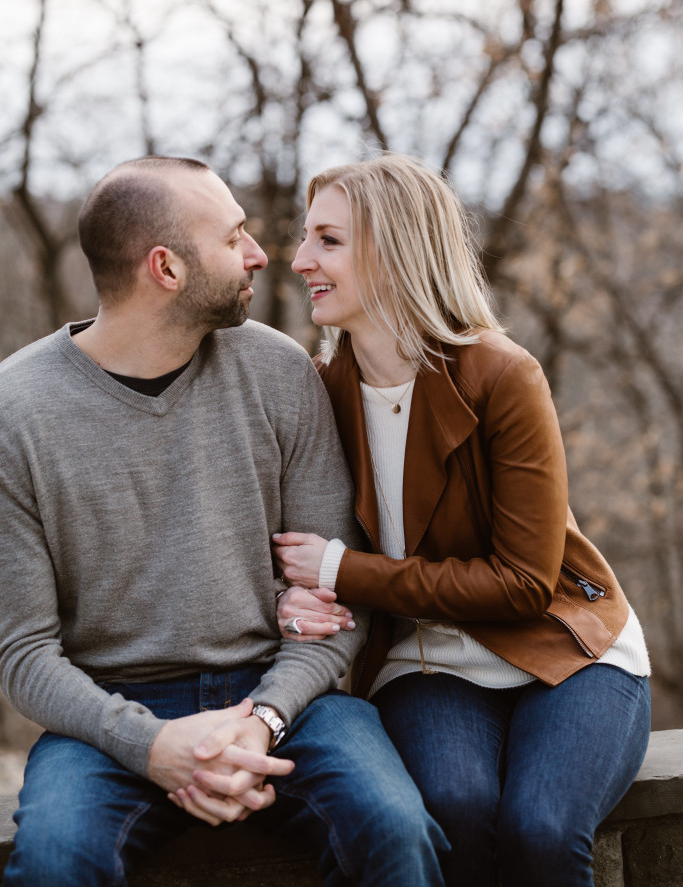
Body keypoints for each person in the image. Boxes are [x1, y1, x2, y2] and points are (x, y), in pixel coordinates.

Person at [0, 156, 447, 887]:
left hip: (286, 692)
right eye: (233, 236)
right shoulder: (16, 413)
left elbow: (336, 603)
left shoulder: (278, 371)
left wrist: (263, 716)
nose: (261, 256)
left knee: (396, 831)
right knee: (54, 860)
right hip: (107, 714)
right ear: (166, 268)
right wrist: (149, 745)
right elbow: (21, 654)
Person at [273, 153, 652, 887]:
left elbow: (522, 584)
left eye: (326, 240)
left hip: (563, 649)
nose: (298, 261)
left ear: (393, 248)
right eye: (304, 238)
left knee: (540, 831)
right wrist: (296, 594)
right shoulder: (322, 394)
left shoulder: (500, 376)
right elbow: (292, 547)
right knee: (454, 808)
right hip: (426, 662)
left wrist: (340, 572)